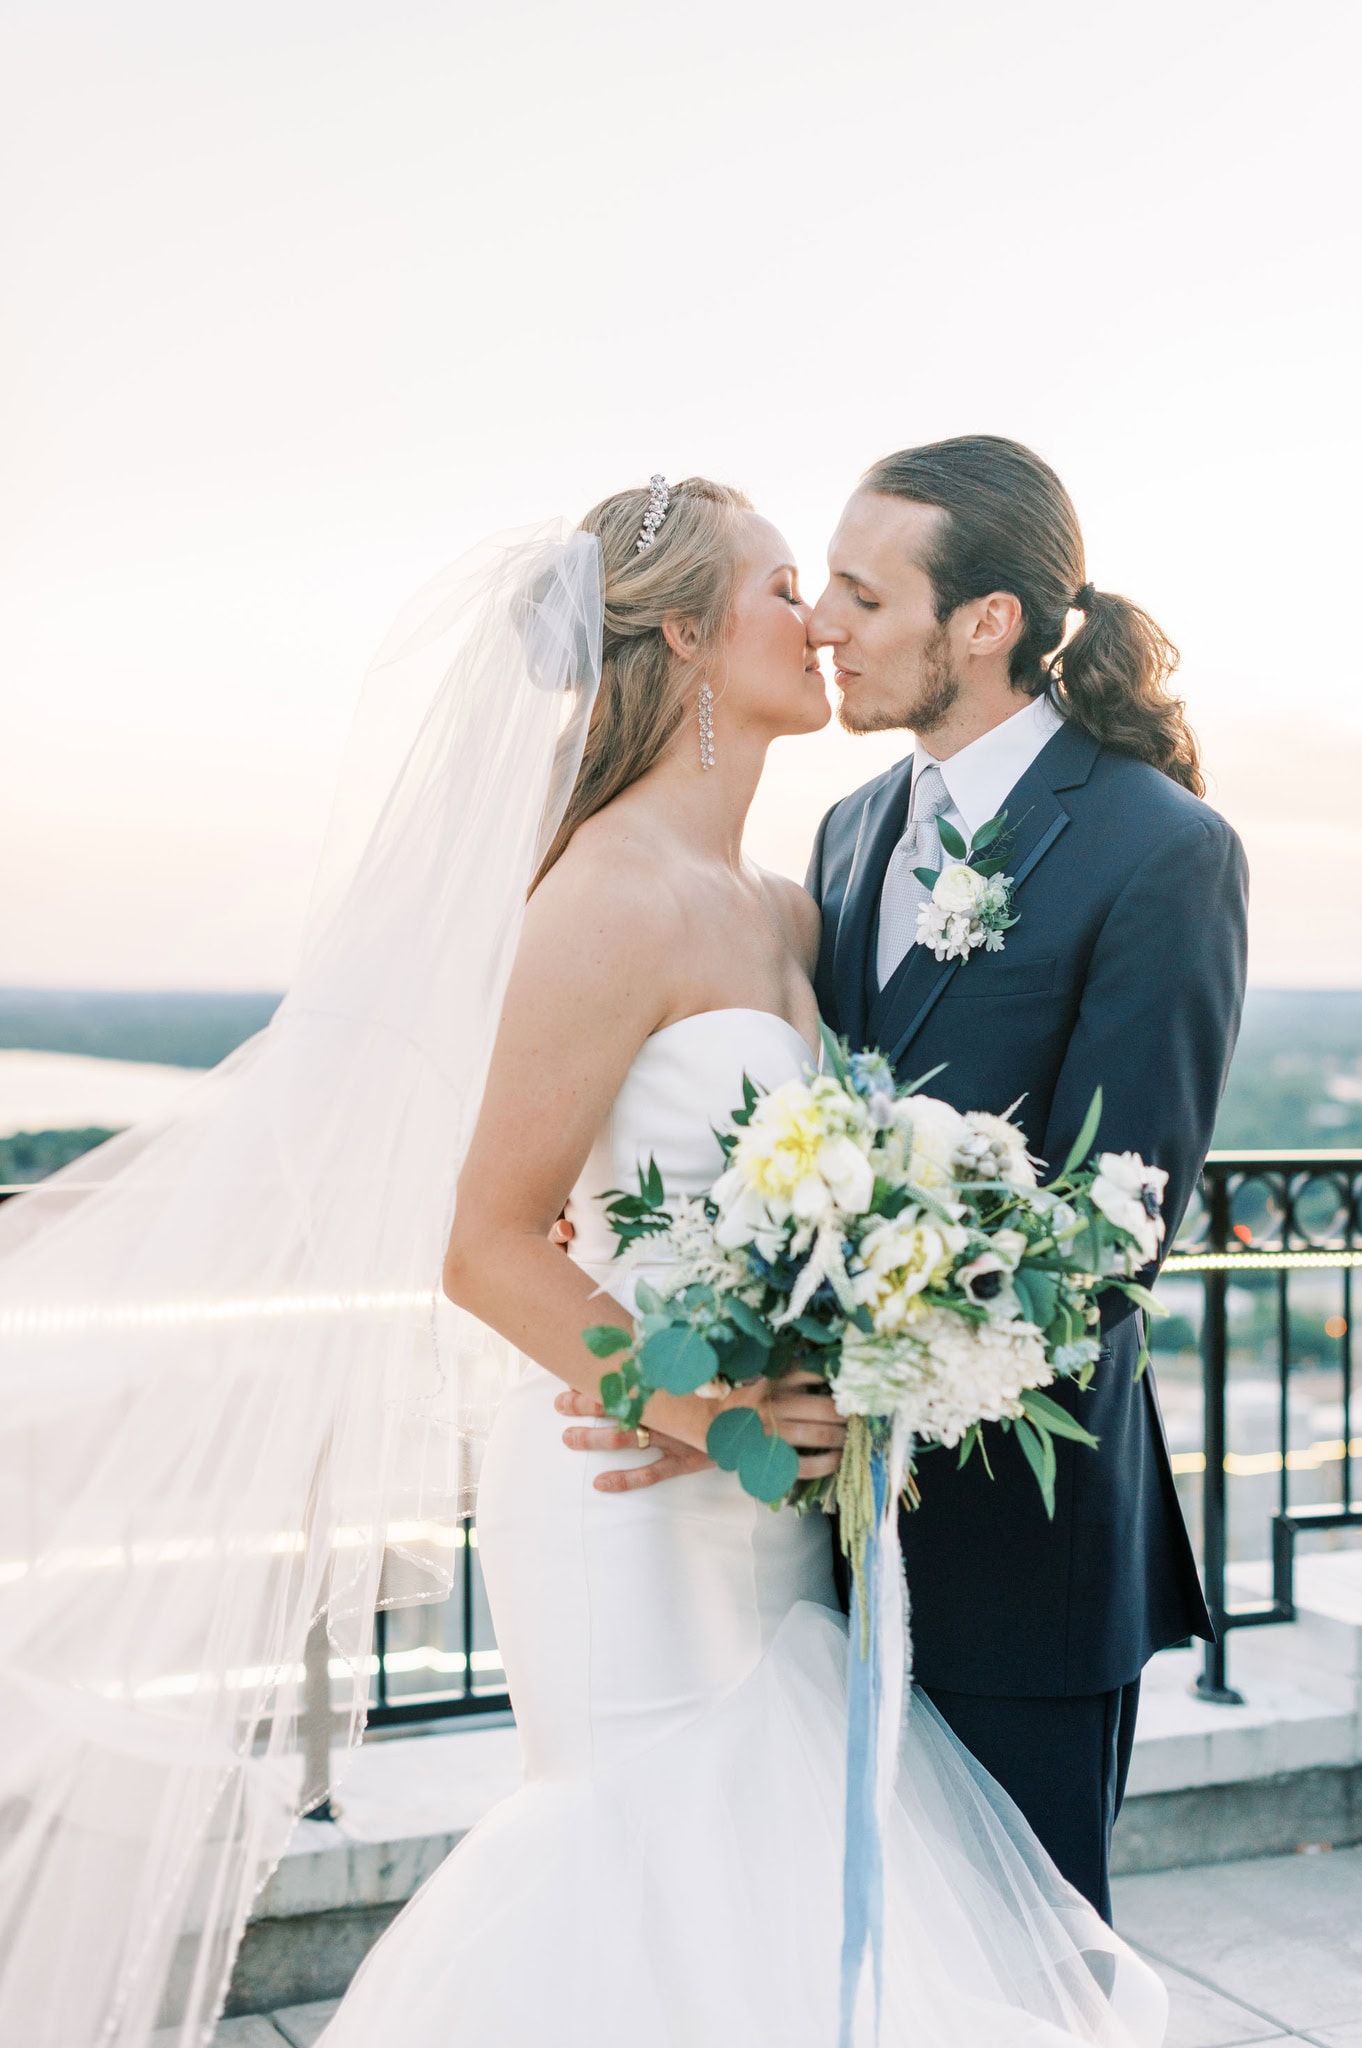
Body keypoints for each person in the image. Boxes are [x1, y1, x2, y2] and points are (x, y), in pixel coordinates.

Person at [0, 474, 1165, 2048]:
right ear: (682, 636)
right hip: (627, 1503)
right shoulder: (605, 896)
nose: (817, 620)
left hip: (767, 1523)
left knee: (772, 1919)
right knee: (645, 1891)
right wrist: (704, 1412)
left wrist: (802, 1371)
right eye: (781, 588)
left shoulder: (788, 903)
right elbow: (480, 1236)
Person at [559, 438, 1248, 1929]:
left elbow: (1110, 1241)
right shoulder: (852, 830)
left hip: (1019, 1563)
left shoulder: (1161, 849)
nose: (824, 625)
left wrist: (807, 1406)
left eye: (863, 597)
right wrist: (713, 1374)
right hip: (803, 1567)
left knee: (1018, 1979)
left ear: (985, 623)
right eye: (819, 588)